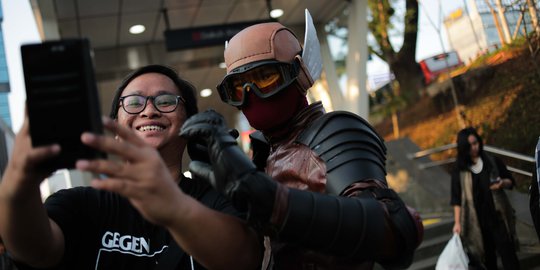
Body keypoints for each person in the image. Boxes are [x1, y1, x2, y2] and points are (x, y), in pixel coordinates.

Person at [181, 22, 423, 269]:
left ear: (300, 72)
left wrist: (274, 202)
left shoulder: (332, 133)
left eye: (265, 77)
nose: (250, 93)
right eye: (237, 87)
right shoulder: (264, 153)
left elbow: (395, 229)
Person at [0, 64, 261, 270]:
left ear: (190, 124)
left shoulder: (218, 198)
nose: (149, 111)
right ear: (116, 126)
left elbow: (243, 259)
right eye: (134, 103)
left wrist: (175, 207)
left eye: (166, 101)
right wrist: (17, 186)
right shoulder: (83, 204)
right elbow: (34, 250)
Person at [451, 127, 520, 270]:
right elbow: (456, 199)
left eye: (475, 143)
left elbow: (511, 181)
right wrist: (457, 223)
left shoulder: (491, 161)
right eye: (469, 146)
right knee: (488, 260)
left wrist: (502, 183)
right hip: (477, 222)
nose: (474, 147)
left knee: (509, 255)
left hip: (498, 217)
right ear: (463, 148)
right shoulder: (460, 170)